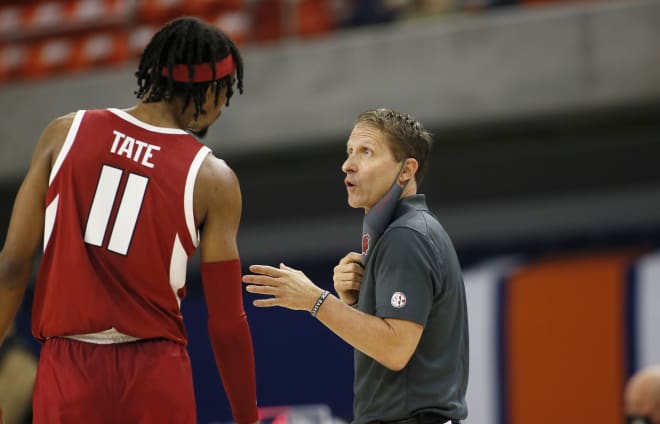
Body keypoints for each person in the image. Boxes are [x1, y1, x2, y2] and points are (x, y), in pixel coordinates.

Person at [0, 17, 258, 424]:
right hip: (156, 370)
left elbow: (12, 266)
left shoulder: (64, 133)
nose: (222, 108)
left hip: (68, 368)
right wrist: (248, 417)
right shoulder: (214, 179)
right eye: (227, 94)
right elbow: (227, 321)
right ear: (210, 91)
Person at [243, 108, 469, 424]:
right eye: (349, 152)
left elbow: (394, 348)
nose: (347, 165)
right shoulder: (404, 231)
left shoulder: (407, 235)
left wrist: (314, 301)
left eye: (366, 152)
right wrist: (356, 302)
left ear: (406, 171)